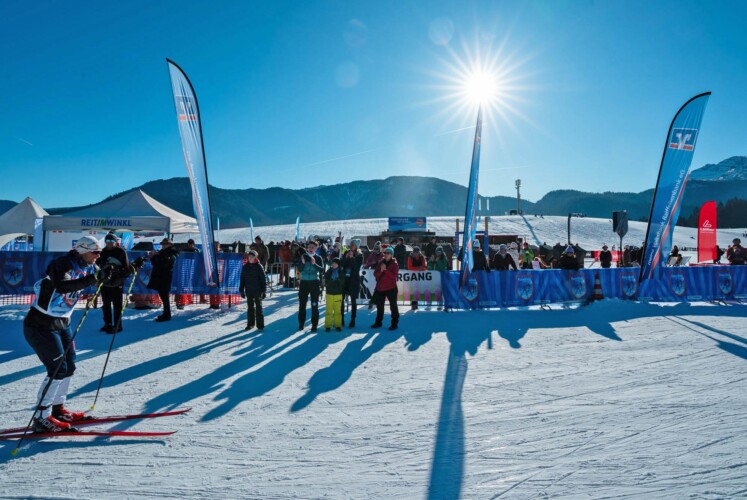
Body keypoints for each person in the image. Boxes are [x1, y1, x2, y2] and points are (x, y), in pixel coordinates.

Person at [23, 236, 112, 432]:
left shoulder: (90, 266)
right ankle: (41, 417)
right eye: (95, 252)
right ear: (82, 250)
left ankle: (57, 409)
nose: (98, 256)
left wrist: (128, 271)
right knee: (57, 368)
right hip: (41, 324)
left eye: (100, 253)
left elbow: (108, 282)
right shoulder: (62, 264)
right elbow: (63, 286)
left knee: (69, 366)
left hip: (63, 323)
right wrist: (95, 277)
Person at [96, 233, 130, 334]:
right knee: (106, 305)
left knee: (117, 305)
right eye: (107, 241)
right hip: (105, 282)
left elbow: (126, 267)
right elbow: (97, 266)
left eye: (112, 241)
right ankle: (108, 324)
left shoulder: (121, 251)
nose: (109, 243)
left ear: (116, 242)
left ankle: (118, 325)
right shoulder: (102, 252)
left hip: (117, 282)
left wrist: (119, 275)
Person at [147, 238, 179, 322]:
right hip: (160, 276)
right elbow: (156, 263)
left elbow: (164, 264)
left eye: (165, 244)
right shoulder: (162, 252)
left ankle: (167, 315)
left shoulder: (171, 253)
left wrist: (155, 256)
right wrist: (153, 257)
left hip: (165, 277)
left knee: (165, 297)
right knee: (163, 297)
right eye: (163, 244)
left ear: (170, 245)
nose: (163, 245)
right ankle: (166, 314)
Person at [298, 241, 324, 332]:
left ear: (316, 248)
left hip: (314, 283)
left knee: (314, 305)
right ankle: (301, 323)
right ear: (307, 248)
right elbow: (299, 269)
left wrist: (314, 264)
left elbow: (322, 270)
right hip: (304, 282)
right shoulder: (303, 256)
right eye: (309, 247)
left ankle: (314, 325)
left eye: (313, 247)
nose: (311, 248)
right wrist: (302, 263)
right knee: (302, 304)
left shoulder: (318, 257)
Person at [372, 246, 400, 331]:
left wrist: (385, 270)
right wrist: (381, 270)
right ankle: (378, 322)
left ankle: (394, 323)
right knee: (379, 307)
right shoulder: (381, 262)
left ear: (391, 255)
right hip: (380, 288)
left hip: (391, 288)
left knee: (393, 306)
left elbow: (393, 276)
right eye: (385, 253)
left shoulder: (394, 263)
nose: (386, 254)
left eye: (388, 253)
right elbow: (375, 274)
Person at [239, 249, 266, 331]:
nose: (250, 258)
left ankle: (260, 325)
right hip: (249, 290)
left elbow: (263, 279)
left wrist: (264, 291)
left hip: (257, 290)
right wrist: (241, 290)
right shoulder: (245, 267)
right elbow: (242, 279)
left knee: (259, 308)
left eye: (252, 257)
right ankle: (250, 324)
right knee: (250, 308)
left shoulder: (259, 266)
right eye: (249, 256)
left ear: (255, 258)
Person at [341, 239, 364, 328]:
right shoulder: (346, 252)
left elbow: (357, 268)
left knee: (353, 301)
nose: (351, 246)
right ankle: (341, 318)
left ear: (356, 246)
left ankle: (353, 319)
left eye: (353, 245)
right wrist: (345, 258)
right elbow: (342, 265)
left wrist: (352, 258)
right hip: (345, 280)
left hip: (354, 281)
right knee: (341, 299)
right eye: (350, 244)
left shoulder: (360, 255)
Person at [324, 258, 345, 332]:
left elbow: (342, 282)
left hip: (338, 294)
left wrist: (337, 280)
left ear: (338, 265)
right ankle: (328, 325)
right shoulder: (328, 271)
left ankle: (338, 325)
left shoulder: (341, 272)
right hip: (329, 293)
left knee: (337, 311)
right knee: (328, 311)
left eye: (335, 263)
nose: (334, 265)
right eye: (333, 263)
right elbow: (326, 281)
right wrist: (331, 280)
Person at [364, 241, 384, 310]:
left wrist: (380, 262)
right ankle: (371, 302)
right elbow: (367, 264)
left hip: (380, 274)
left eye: (377, 249)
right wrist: (371, 263)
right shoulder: (371, 255)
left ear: (379, 249)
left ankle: (378, 302)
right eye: (374, 249)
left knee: (379, 288)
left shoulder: (382, 255)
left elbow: (385, 262)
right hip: (372, 273)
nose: (375, 250)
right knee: (372, 288)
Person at [427, 246, 448, 310]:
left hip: (440, 277)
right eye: (436, 252)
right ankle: (429, 305)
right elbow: (428, 266)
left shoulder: (444, 258)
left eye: (439, 252)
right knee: (430, 290)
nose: (437, 253)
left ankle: (440, 305)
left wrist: (437, 261)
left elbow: (442, 267)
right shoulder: (433, 257)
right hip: (433, 277)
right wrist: (432, 261)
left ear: (441, 252)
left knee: (439, 291)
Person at [407, 246, 427, 310]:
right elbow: (409, 267)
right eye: (415, 252)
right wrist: (418, 268)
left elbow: (425, 267)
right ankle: (413, 304)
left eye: (417, 252)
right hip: (412, 276)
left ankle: (416, 304)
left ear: (419, 252)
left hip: (420, 277)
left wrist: (422, 268)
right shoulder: (410, 257)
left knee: (418, 290)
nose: (416, 253)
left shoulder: (422, 257)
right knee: (413, 290)